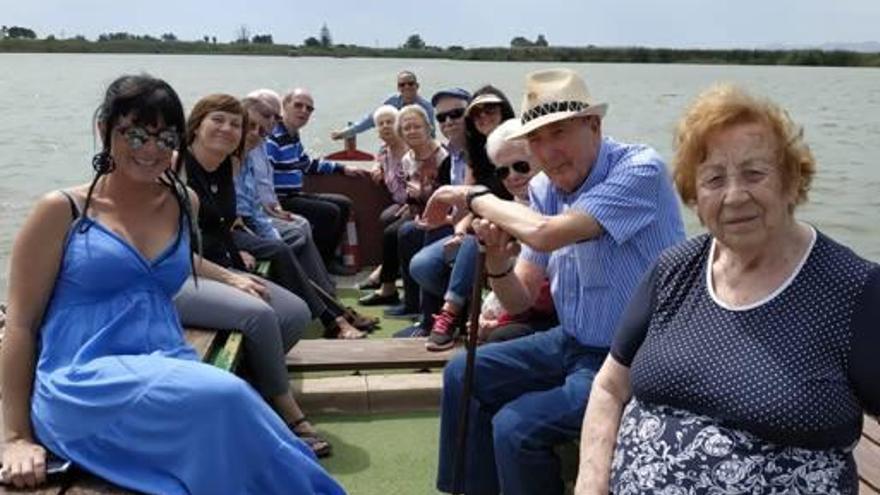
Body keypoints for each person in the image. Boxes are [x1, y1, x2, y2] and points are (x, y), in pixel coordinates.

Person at [0, 74, 344, 493]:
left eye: (165, 138)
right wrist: (14, 438)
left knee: (242, 428)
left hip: (167, 361)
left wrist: (231, 275)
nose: (151, 150)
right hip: (83, 382)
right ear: (104, 130)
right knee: (228, 399)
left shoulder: (184, 202)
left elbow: (175, 269)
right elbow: (19, 325)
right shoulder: (62, 210)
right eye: (136, 134)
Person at [574, 84, 880, 495]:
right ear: (694, 197)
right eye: (714, 179)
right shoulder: (674, 270)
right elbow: (610, 386)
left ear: (792, 182)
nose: (735, 196)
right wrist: (591, 485)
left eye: (755, 173)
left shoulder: (851, 289)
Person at [420, 68, 685, 495]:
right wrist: (495, 260)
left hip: (633, 359)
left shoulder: (640, 170)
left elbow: (546, 232)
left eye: (558, 132)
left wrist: (472, 196)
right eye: (537, 139)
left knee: (515, 427)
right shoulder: (545, 187)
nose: (548, 151)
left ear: (594, 126)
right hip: (573, 341)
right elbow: (521, 297)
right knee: (461, 374)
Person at [183, 94, 365, 341]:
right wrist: (238, 251)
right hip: (217, 246)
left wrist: (265, 217)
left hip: (235, 233)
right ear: (196, 126)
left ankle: (332, 306)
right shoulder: (185, 167)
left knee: (303, 229)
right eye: (250, 127)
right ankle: (334, 314)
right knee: (285, 244)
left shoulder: (231, 162)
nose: (256, 134)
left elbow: (238, 209)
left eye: (261, 130)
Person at [410, 85, 515, 350]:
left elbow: (522, 195)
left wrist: (466, 228)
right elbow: (470, 202)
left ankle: (448, 314)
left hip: (514, 225)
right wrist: (458, 229)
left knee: (474, 237)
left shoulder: (518, 143)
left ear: (505, 110)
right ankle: (463, 310)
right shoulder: (474, 154)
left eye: (490, 109)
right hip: (478, 225)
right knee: (422, 265)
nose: (483, 116)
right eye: (476, 112)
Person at [386, 87, 471, 323]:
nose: (449, 121)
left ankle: (429, 316)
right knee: (395, 227)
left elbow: (461, 198)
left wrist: (439, 216)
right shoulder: (451, 154)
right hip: (439, 215)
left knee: (410, 232)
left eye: (456, 114)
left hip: (458, 223)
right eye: (443, 116)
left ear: (427, 128)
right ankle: (414, 304)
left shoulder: (446, 155)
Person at [265, 87, 368, 274]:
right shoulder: (273, 138)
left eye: (309, 108)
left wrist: (341, 168)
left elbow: (307, 164)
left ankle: (324, 262)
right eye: (298, 105)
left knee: (343, 205)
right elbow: (263, 175)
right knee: (328, 212)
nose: (304, 111)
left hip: (293, 195)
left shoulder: (292, 135)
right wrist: (271, 205)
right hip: (278, 201)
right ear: (284, 106)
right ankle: (313, 267)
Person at [474, 119, 556, 343]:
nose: (512, 176)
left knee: (501, 337)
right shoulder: (512, 207)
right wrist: (489, 310)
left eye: (521, 166)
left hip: (553, 311)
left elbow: (545, 290)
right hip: (524, 303)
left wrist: (500, 318)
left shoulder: (557, 205)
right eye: (502, 171)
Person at [358, 104, 448, 308]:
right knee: (390, 223)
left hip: (440, 214)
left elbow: (449, 193)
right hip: (418, 210)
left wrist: (423, 194)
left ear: (428, 128)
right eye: (407, 128)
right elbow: (410, 192)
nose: (412, 131)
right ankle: (395, 290)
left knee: (400, 233)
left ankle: (408, 299)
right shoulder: (408, 158)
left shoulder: (442, 156)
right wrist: (410, 203)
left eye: (417, 127)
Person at [355, 105, 410, 294]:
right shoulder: (384, 151)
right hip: (400, 202)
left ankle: (383, 276)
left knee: (391, 230)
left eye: (390, 122)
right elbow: (380, 160)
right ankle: (393, 269)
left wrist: (412, 204)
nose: (386, 126)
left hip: (417, 203)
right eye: (381, 124)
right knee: (386, 217)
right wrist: (377, 166)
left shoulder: (410, 149)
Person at [330, 70, 435, 140]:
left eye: (410, 83)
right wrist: (344, 133)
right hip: (394, 142)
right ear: (398, 88)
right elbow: (371, 120)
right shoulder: (392, 101)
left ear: (417, 86)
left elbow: (430, 134)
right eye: (402, 84)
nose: (406, 87)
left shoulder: (426, 107)